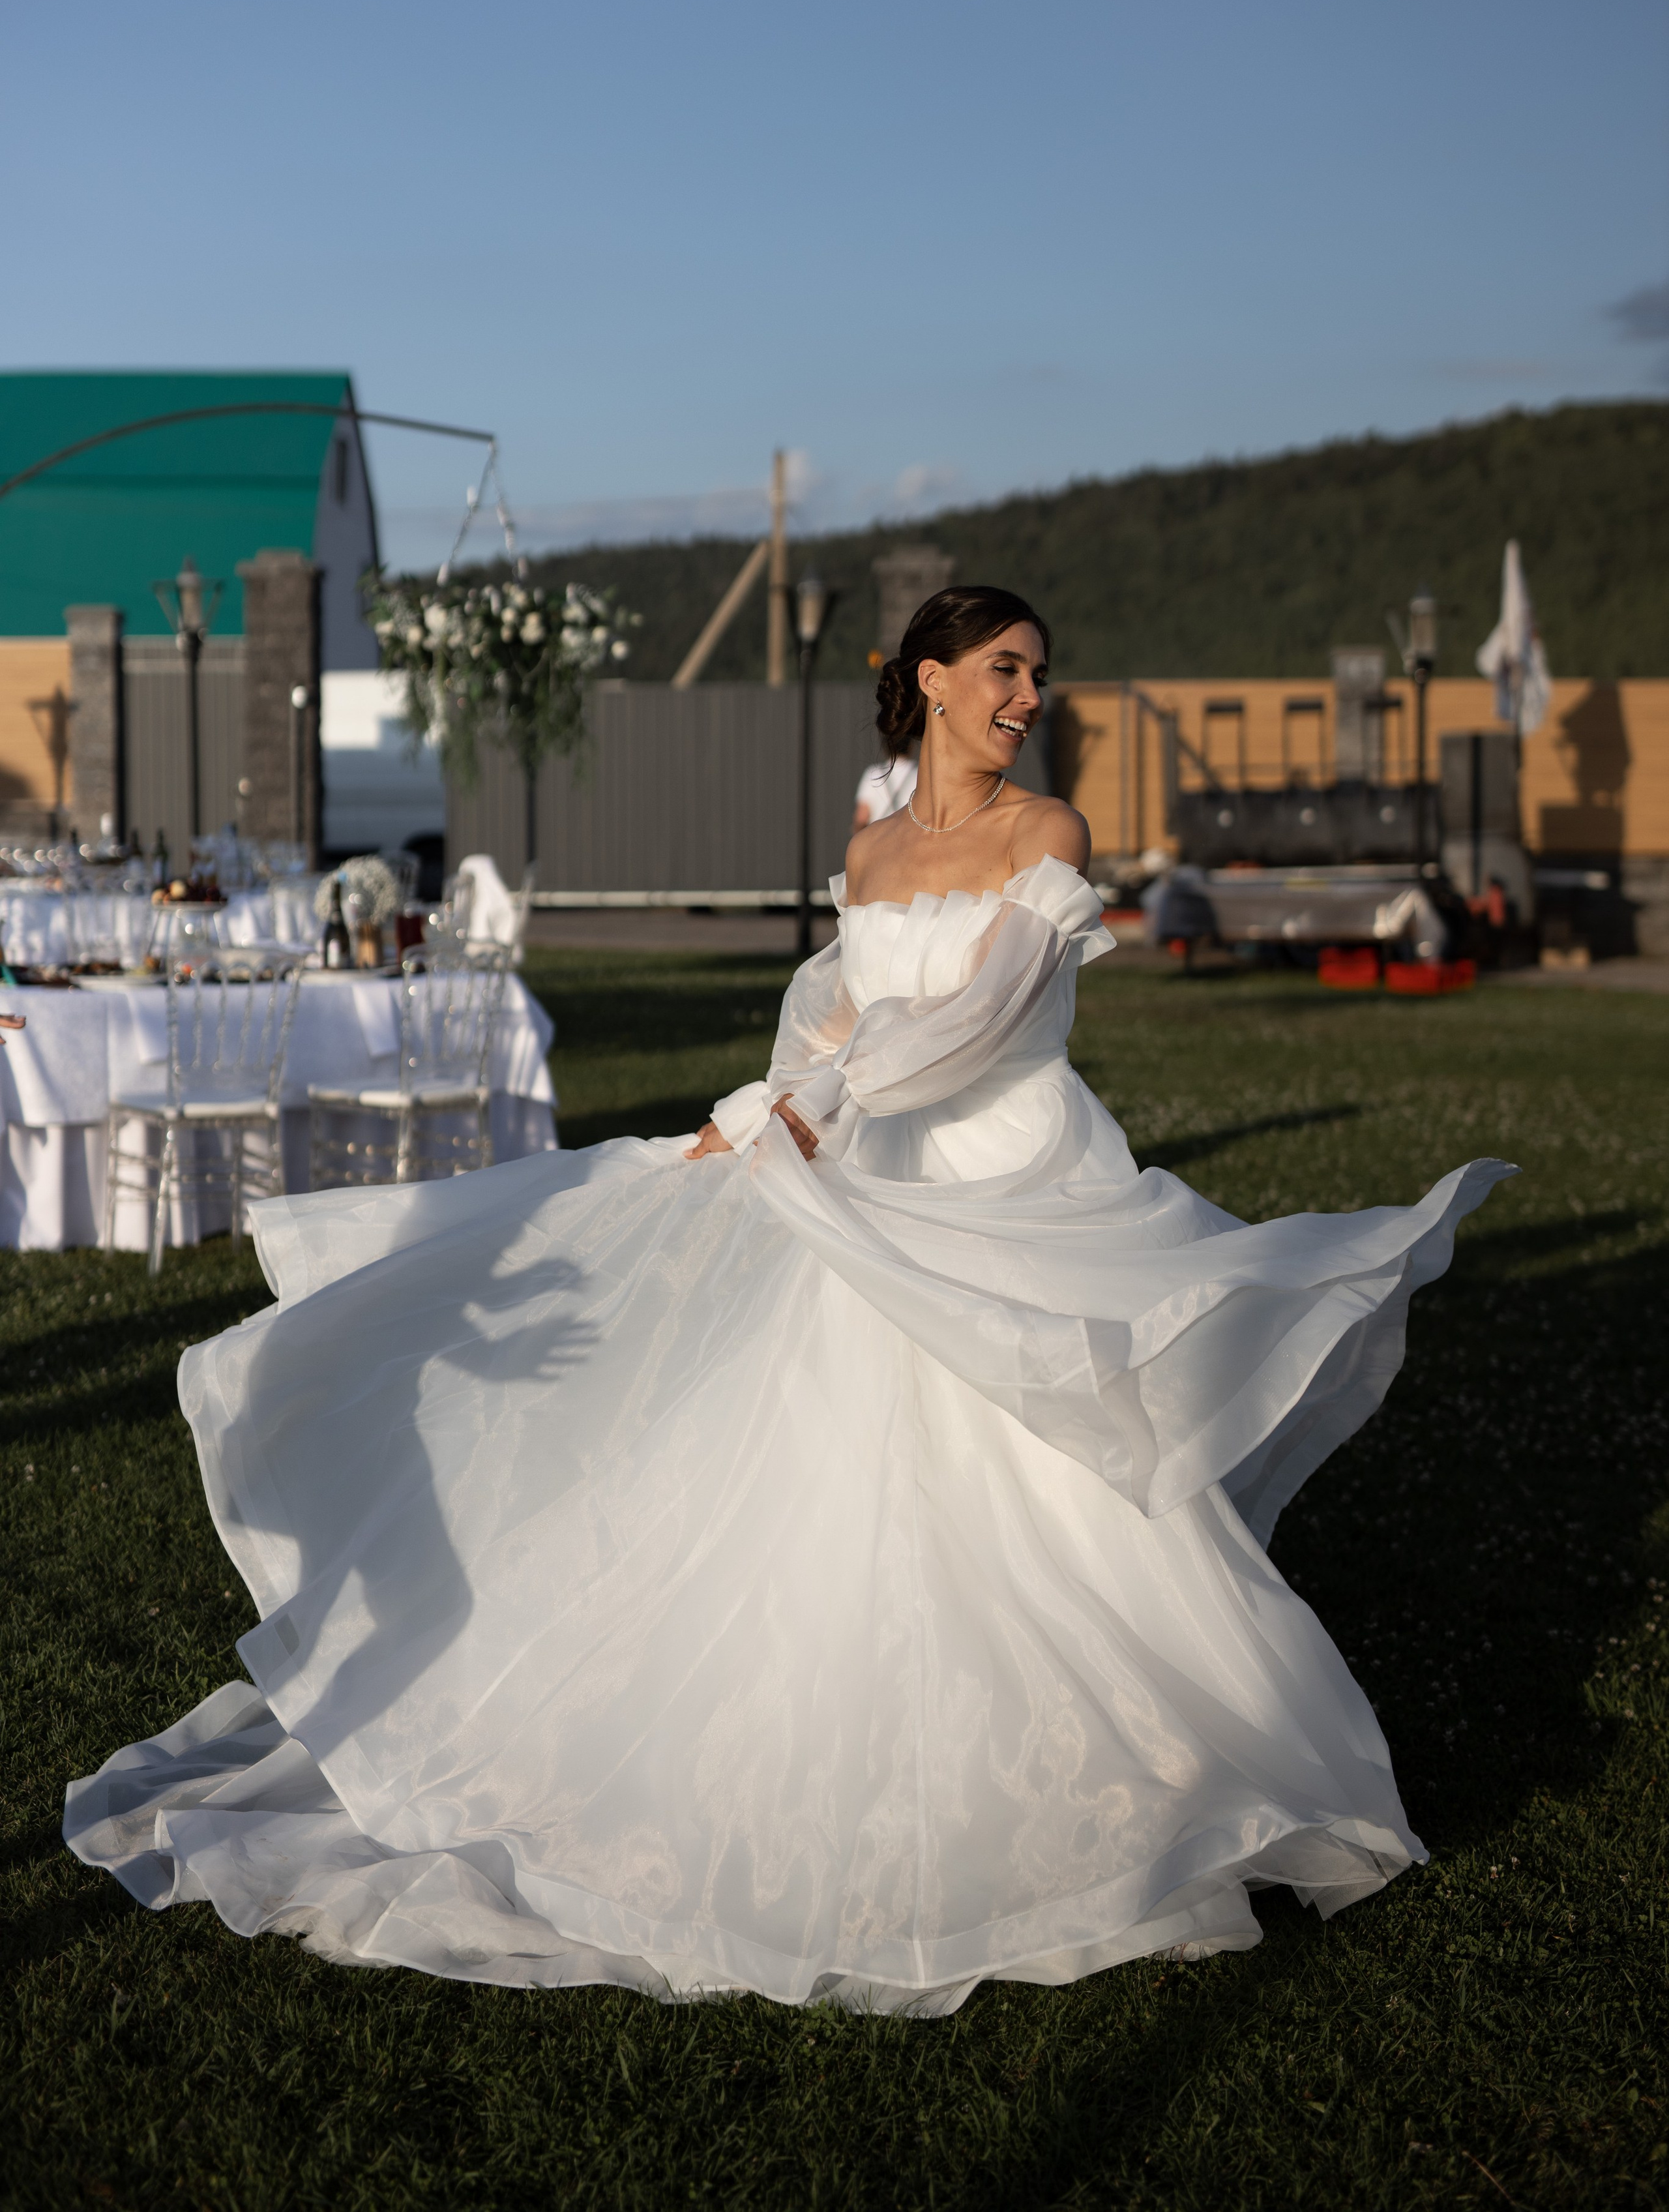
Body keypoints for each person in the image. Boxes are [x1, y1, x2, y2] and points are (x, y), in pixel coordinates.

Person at [64, 587, 1513, 2016]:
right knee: (826, 1463)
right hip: (855, 1167)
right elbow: (826, 1005)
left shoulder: (1044, 835)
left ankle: (1139, 1776)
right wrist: (757, 1107)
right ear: (931, 681)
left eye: (1038, 676)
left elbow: (980, 1019)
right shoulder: (870, 850)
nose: (1024, 698)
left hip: (999, 1178)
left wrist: (819, 1102)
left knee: (1037, 1470)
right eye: (1003, 670)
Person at [851, 748, 917, 831]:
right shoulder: (919, 774)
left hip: (880, 839)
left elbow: (861, 818)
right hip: (909, 839)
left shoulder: (873, 774)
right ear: (911, 747)